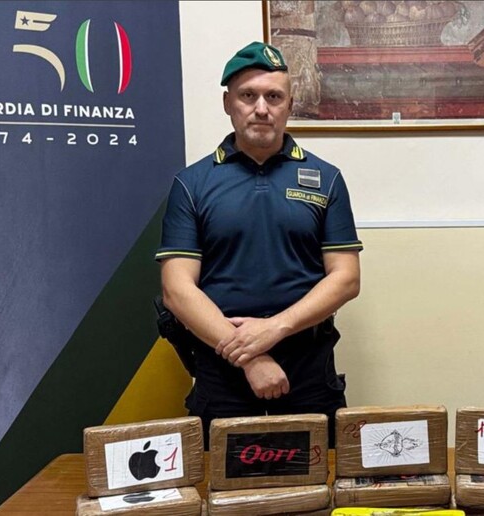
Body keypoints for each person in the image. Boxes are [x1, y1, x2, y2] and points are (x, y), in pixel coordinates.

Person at [155, 41, 363, 447]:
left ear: (290, 105)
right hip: (222, 369)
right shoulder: (192, 184)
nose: (262, 108)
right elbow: (177, 290)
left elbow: (346, 279)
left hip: (308, 370)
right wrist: (250, 356)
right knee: (221, 483)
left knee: (317, 478)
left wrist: (272, 329)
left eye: (274, 97)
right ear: (227, 103)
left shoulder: (327, 179)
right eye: (248, 96)